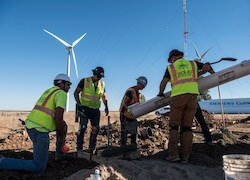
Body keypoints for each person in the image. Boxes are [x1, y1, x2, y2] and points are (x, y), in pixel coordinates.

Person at [0, 74, 71, 172]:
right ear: (61, 84)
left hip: (31, 125)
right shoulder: (62, 94)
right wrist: (62, 141)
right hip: (39, 130)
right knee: (39, 167)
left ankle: (58, 156)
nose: (70, 87)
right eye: (68, 84)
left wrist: (62, 130)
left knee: (64, 126)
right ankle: (3, 162)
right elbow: (59, 119)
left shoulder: (49, 91)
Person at [157, 49, 214, 163]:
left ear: (173, 58)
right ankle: (185, 157)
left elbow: (163, 83)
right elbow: (207, 68)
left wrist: (160, 93)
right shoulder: (193, 64)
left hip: (178, 98)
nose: (171, 62)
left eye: (170, 60)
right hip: (193, 98)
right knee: (187, 128)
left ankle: (173, 155)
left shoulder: (171, 68)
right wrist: (213, 74)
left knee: (174, 126)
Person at [74, 66, 109, 153]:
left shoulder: (102, 84)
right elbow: (76, 92)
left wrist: (106, 106)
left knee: (95, 128)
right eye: (98, 76)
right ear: (94, 74)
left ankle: (91, 148)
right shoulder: (85, 81)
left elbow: (104, 96)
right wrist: (79, 104)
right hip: (84, 109)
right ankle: (79, 149)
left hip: (95, 110)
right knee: (82, 128)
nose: (99, 78)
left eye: (100, 77)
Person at [119, 76, 147, 147]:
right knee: (124, 132)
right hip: (125, 114)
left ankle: (133, 147)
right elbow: (124, 102)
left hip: (132, 114)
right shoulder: (131, 91)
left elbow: (138, 103)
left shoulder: (139, 93)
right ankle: (123, 148)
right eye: (143, 86)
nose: (143, 88)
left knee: (134, 131)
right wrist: (128, 109)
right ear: (140, 84)